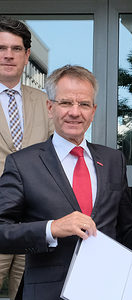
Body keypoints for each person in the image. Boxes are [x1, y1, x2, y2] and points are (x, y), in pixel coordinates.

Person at [0, 65, 132, 300]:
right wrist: (51, 228)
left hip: (107, 289)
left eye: (84, 104)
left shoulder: (113, 159)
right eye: (66, 103)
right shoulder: (23, 163)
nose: (75, 112)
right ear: (50, 107)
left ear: (93, 111)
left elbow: (127, 224)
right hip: (50, 292)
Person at [0, 16, 53, 300]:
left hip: (34, 222)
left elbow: (57, 154)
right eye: (1, 48)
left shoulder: (44, 101)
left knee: (30, 294)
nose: (8, 55)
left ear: (27, 55)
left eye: (16, 49)